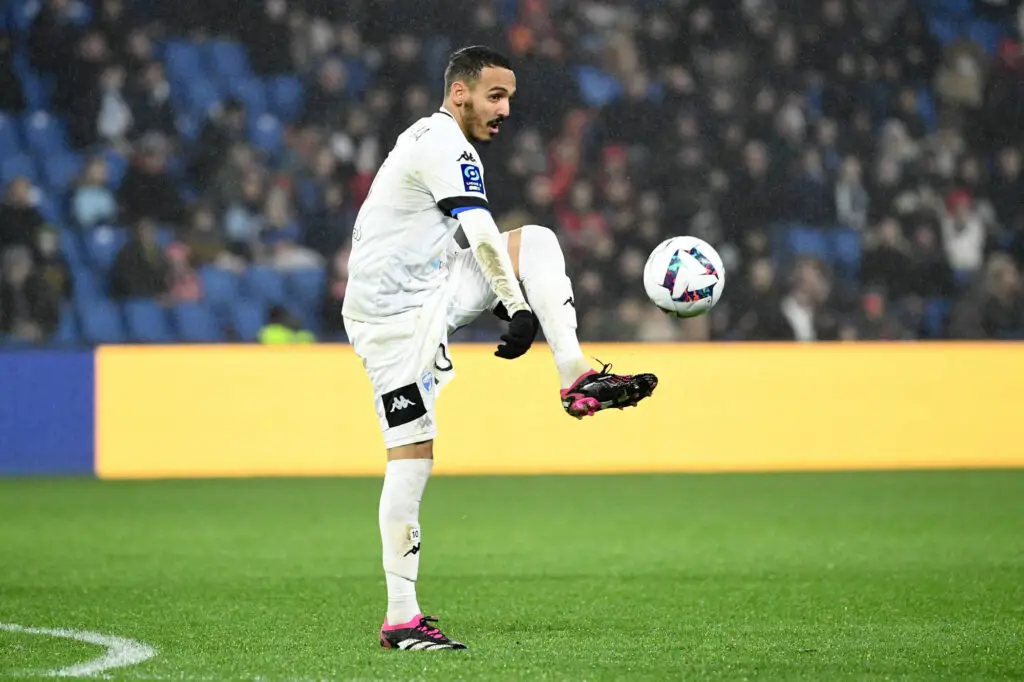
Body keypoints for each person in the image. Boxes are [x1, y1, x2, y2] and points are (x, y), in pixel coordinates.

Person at [341, 45, 658, 652]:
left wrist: (510, 300)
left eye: (509, 97)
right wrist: (514, 305)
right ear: (458, 93)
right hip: (390, 322)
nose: (505, 109)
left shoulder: (441, 142)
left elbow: (473, 237)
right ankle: (401, 618)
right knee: (412, 453)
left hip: (434, 284)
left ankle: (575, 375)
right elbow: (480, 231)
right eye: (495, 95)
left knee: (536, 241)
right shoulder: (443, 145)